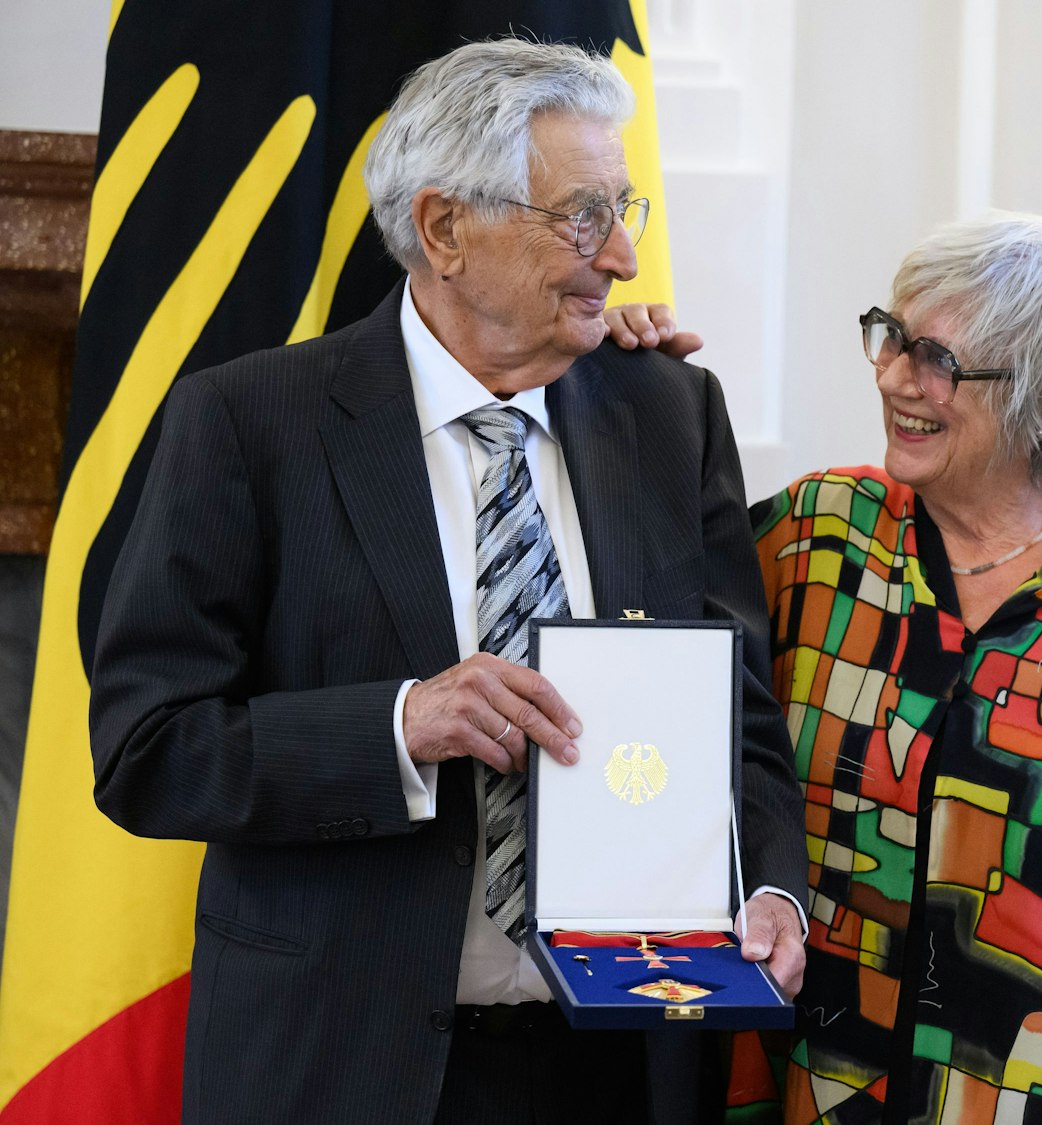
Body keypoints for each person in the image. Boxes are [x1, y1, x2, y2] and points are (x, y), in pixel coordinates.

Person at [88, 40, 805, 1124]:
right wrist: (400, 724)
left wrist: (768, 889)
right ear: (443, 230)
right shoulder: (246, 425)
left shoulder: (667, 415)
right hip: (335, 1065)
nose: (618, 256)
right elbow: (147, 750)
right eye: (579, 216)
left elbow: (737, 720)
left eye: (625, 211)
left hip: (616, 1068)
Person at [607, 212, 1042, 1122]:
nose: (892, 376)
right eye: (891, 336)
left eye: (936, 359)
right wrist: (616, 392)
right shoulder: (816, 537)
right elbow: (633, 643)